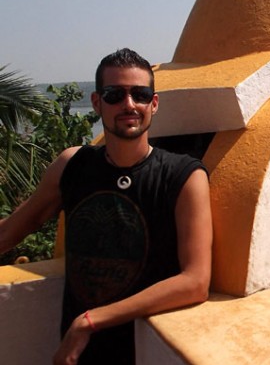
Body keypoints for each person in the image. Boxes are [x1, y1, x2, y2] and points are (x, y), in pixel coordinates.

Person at [0, 48, 213, 364]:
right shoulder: (72, 166)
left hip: (141, 353)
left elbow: (195, 282)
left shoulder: (183, 176)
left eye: (140, 94)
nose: (129, 104)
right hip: (79, 356)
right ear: (97, 102)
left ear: (153, 103)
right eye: (115, 94)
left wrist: (90, 321)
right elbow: (18, 226)